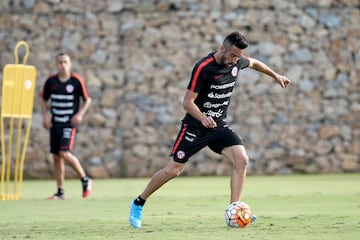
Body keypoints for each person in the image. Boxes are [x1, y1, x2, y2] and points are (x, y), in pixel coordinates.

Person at [129, 31, 291, 228]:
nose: (235, 60)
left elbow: (255, 63)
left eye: (238, 57)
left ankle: (235, 210)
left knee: (242, 160)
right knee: (173, 170)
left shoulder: (238, 61)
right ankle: (139, 202)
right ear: (222, 48)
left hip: (218, 126)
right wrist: (202, 117)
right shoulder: (203, 68)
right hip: (195, 126)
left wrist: (276, 76)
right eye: (232, 55)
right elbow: (187, 102)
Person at [40, 52, 92, 200]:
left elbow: (87, 99)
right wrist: (45, 115)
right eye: (60, 62)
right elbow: (43, 98)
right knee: (56, 157)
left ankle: (85, 179)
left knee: (64, 153)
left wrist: (80, 114)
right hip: (55, 123)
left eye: (65, 62)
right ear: (56, 64)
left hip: (69, 123)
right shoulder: (51, 81)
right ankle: (60, 191)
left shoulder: (76, 81)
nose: (63, 65)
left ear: (70, 64)